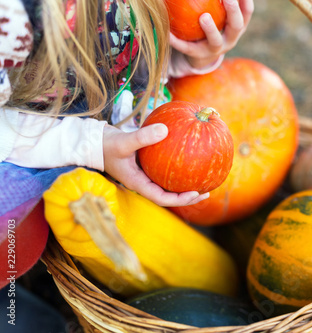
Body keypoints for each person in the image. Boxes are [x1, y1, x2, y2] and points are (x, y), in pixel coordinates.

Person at [0, 0, 254, 288]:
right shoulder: (11, 15)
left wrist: (187, 57)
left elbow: (121, 45)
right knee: (15, 241)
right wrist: (93, 145)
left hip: (112, 137)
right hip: (27, 142)